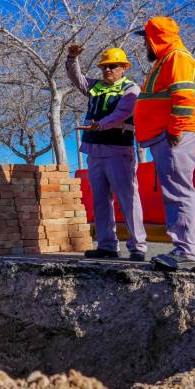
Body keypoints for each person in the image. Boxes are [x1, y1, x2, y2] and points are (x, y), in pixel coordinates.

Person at [133, 17, 195, 271]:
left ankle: (187, 250)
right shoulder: (167, 59)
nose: (145, 44)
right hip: (169, 134)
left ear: (156, 38)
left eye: (146, 39)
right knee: (176, 191)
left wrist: (175, 128)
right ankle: (186, 247)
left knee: (178, 192)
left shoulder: (177, 58)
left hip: (175, 134)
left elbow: (184, 96)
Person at [67, 45, 147, 261]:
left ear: (124, 68)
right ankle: (107, 245)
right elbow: (77, 78)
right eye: (104, 67)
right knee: (101, 200)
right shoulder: (96, 87)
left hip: (118, 150)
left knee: (128, 198)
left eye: (112, 66)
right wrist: (72, 58)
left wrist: (101, 125)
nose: (107, 70)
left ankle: (137, 246)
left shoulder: (131, 89)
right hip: (94, 150)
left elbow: (123, 112)